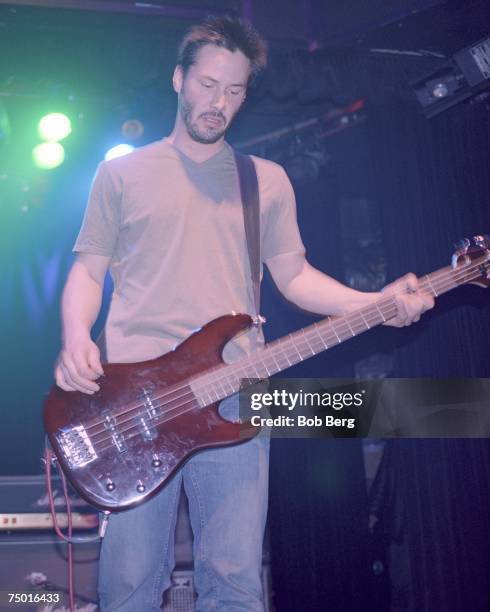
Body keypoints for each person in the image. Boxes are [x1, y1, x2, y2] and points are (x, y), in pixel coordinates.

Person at [54, 16, 434, 612]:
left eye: (234, 91)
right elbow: (87, 269)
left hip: (233, 393)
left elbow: (295, 277)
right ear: (179, 79)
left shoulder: (267, 181)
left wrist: (379, 305)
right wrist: (75, 336)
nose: (219, 102)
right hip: (135, 398)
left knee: (235, 584)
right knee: (129, 586)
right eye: (207, 85)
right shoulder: (122, 173)